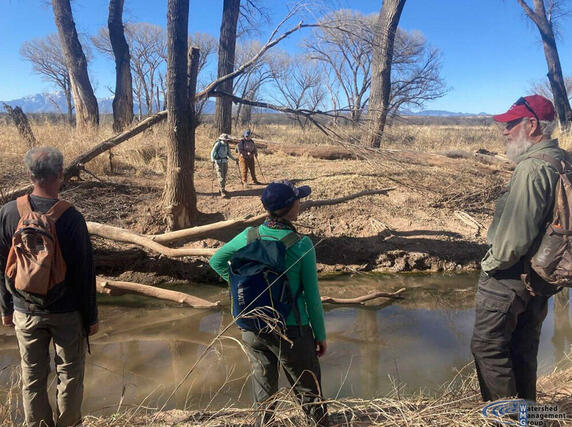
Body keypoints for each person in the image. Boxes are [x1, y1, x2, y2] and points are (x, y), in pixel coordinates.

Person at [209, 180, 328, 426]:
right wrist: (320, 335)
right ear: (290, 207)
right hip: (292, 331)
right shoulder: (302, 244)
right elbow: (312, 297)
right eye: (298, 200)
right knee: (308, 392)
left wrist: (245, 289)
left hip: (252, 326)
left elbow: (217, 262)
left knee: (263, 390)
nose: (300, 203)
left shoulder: (249, 235)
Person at [471, 95, 563, 402]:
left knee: (488, 348)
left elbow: (513, 239)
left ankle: (507, 421)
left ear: (532, 124)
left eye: (511, 124)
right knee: (523, 352)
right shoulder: (562, 160)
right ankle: (530, 419)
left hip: (510, 276)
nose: (505, 131)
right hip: (542, 275)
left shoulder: (532, 168)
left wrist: (489, 265)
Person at [0, 147, 98, 427]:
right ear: (60, 175)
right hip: (67, 313)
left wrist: (6, 309)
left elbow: (1, 265)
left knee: (32, 377)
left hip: (25, 311)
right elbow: (83, 273)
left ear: (30, 175)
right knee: (70, 375)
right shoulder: (71, 218)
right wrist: (90, 318)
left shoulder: (8, 213)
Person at [211, 133, 237, 198]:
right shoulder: (218, 144)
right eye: (224, 139)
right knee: (221, 176)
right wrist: (212, 160)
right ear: (221, 139)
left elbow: (229, 154)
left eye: (226, 139)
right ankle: (222, 191)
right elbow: (212, 152)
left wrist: (234, 159)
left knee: (224, 176)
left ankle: (222, 189)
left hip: (225, 162)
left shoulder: (227, 145)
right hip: (218, 162)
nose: (225, 140)